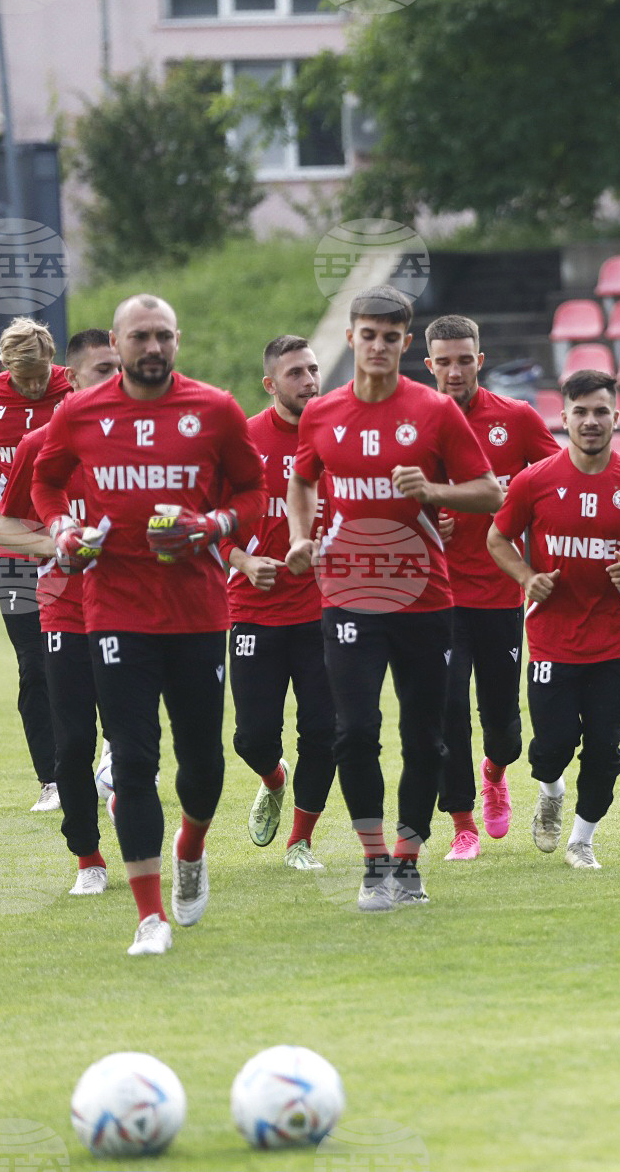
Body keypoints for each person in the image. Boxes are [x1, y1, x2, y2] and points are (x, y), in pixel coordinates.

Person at [32, 293, 265, 955]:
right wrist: (64, 528)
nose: (153, 347)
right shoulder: (79, 412)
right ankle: (149, 916)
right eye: (140, 336)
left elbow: (251, 492)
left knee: (203, 763)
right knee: (133, 760)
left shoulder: (215, 409)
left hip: (196, 609)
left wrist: (212, 524)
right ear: (117, 342)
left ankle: (191, 846)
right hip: (114, 609)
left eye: (163, 335)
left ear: (177, 340)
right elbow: (46, 483)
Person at [285, 286, 502, 912]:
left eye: (390, 337)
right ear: (351, 338)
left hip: (424, 598)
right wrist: (300, 537)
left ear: (406, 344)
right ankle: (373, 860)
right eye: (368, 335)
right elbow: (302, 481)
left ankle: (407, 861)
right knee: (353, 732)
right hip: (348, 594)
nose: (378, 346)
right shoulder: (322, 413)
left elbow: (489, 492)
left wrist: (433, 491)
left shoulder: (435, 411)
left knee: (425, 738)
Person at [486, 369, 620, 869]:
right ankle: (550, 792)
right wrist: (527, 577)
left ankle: (581, 840)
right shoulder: (535, 481)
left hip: (615, 640)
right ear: (564, 417)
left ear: (617, 416)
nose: (591, 421)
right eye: (581, 412)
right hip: (552, 638)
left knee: (604, 751)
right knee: (550, 748)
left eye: (600, 411)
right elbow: (497, 538)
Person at [425, 314, 560, 857]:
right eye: (444, 362)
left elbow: (558, 483)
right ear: (429, 365)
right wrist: (426, 520)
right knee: (447, 709)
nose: (455, 371)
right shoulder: (413, 424)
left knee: (503, 725)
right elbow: (385, 499)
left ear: (479, 360)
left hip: (501, 593)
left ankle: (496, 772)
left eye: (465, 360)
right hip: (436, 598)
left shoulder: (517, 418)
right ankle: (462, 824)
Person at [0, 328, 119, 894]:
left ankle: (127, 804)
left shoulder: (142, 441)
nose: (114, 382)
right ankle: (88, 860)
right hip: (65, 611)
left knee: (135, 742)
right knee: (72, 744)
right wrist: (60, 544)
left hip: (132, 609)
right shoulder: (38, 444)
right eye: (102, 372)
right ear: (72, 380)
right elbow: (5, 528)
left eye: (120, 370)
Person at [224, 335, 335, 870]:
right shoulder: (242, 441)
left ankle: (300, 842)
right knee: (252, 738)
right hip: (254, 611)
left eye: (312, 369)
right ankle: (273, 779)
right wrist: (245, 562)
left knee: (324, 732)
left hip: (325, 613)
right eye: (296, 373)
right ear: (270, 384)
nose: (309, 381)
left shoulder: (340, 438)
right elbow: (211, 523)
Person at [0, 317, 74, 810]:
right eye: (22, 379)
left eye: (40, 376)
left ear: (53, 360)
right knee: (33, 663)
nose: (32, 387)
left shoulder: (77, 384)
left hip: (73, 532)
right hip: (16, 541)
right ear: (4, 367)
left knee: (92, 657)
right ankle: (52, 780)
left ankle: (116, 760)